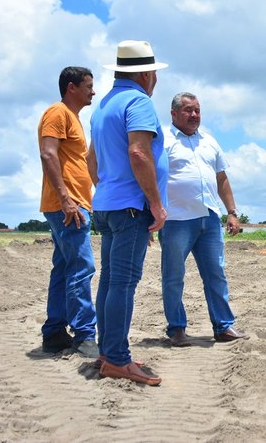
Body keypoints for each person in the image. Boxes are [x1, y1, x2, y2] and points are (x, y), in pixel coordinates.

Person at [87, 40, 168, 386]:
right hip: (131, 208)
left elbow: (91, 160)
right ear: (146, 73)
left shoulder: (103, 105)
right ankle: (117, 359)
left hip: (106, 205)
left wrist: (107, 189)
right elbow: (138, 153)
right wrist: (154, 203)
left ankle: (108, 350)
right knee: (122, 282)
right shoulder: (139, 102)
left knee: (109, 280)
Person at [159, 92, 249, 347]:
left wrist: (231, 212)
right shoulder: (162, 141)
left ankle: (223, 327)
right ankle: (176, 329)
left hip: (209, 219)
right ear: (174, 114)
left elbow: (221, 179)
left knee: (215, 274)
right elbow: (151, 178)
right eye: (188, 110)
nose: (194, 115)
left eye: (197, 110)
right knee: (173, 275)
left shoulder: (209, 141)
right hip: (176, 219)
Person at [38, 66, 99, 358]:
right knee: (82, 268)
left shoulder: (72, 118)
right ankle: (85, 334)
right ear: (71, 87)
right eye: (88, 86)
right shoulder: (57, 112)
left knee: (64, 268)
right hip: (68, 206)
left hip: (74, 203)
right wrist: (66, 199)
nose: (93, 91)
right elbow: (48, 153)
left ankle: (54, 333)